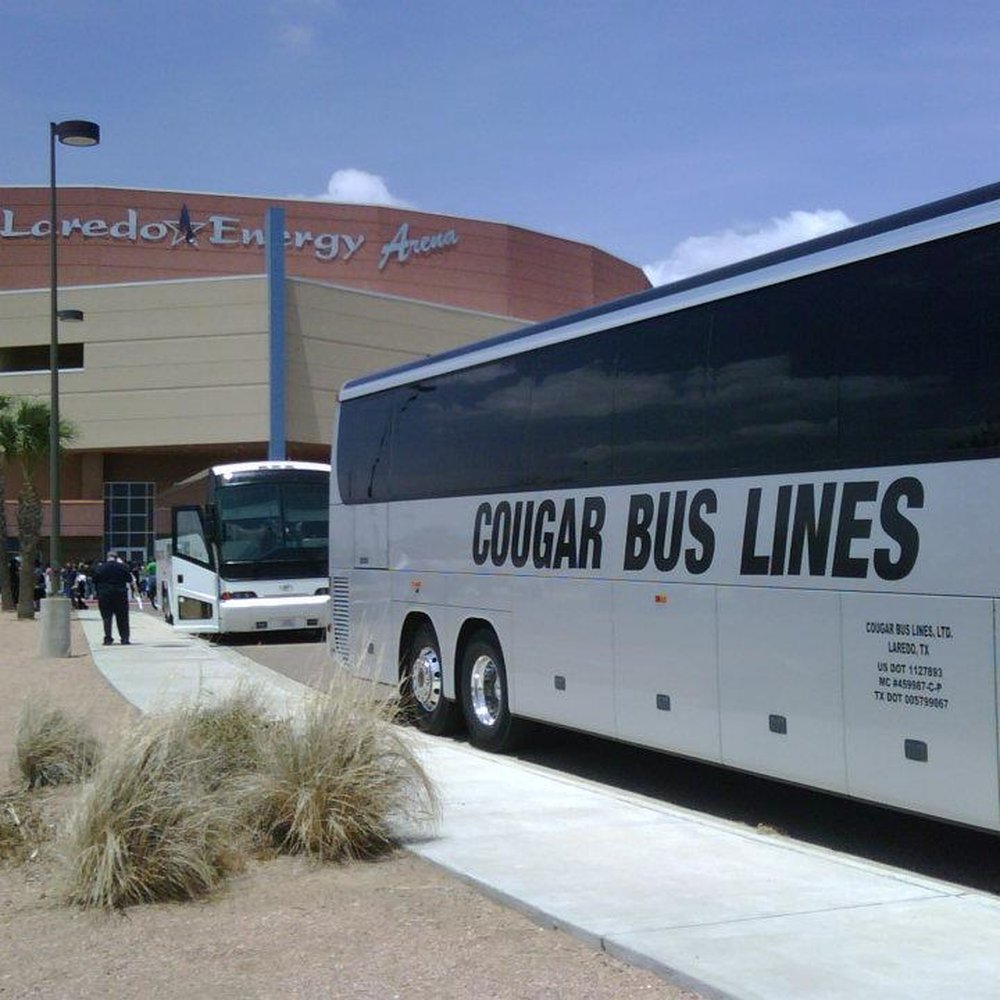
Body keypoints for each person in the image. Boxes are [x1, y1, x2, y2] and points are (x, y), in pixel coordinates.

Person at [92, 552, 133, 645]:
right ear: (116, 557)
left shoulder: (100, 567)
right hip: (120, 593)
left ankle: (108, 638)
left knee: (106, 617)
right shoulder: (123, 567)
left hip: (104, 594)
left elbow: (94, 580)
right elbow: (129, 579)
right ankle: (124, 638)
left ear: (107, 557)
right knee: (122, 617)